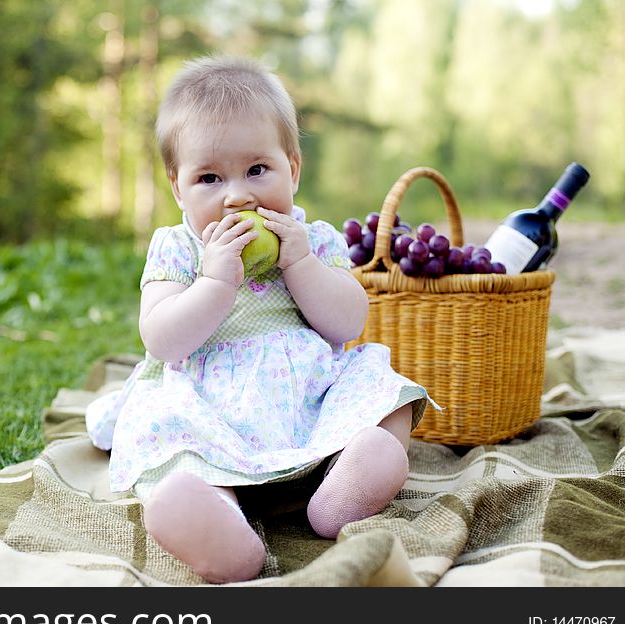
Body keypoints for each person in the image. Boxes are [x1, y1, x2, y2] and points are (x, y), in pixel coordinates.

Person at [86, 55, 438, 584]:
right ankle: (218, 519)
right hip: (211, 407)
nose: (237, 195)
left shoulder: (312, 239)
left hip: (306, 397)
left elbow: (347, 323)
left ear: (292, 169)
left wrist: (300, 264)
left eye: (257, 170)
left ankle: (343, 489)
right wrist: (214, 283)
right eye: (209, 177)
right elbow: (161, 339)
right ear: (178, 188)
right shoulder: (178, 248)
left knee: (379, 385)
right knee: (164, 426)